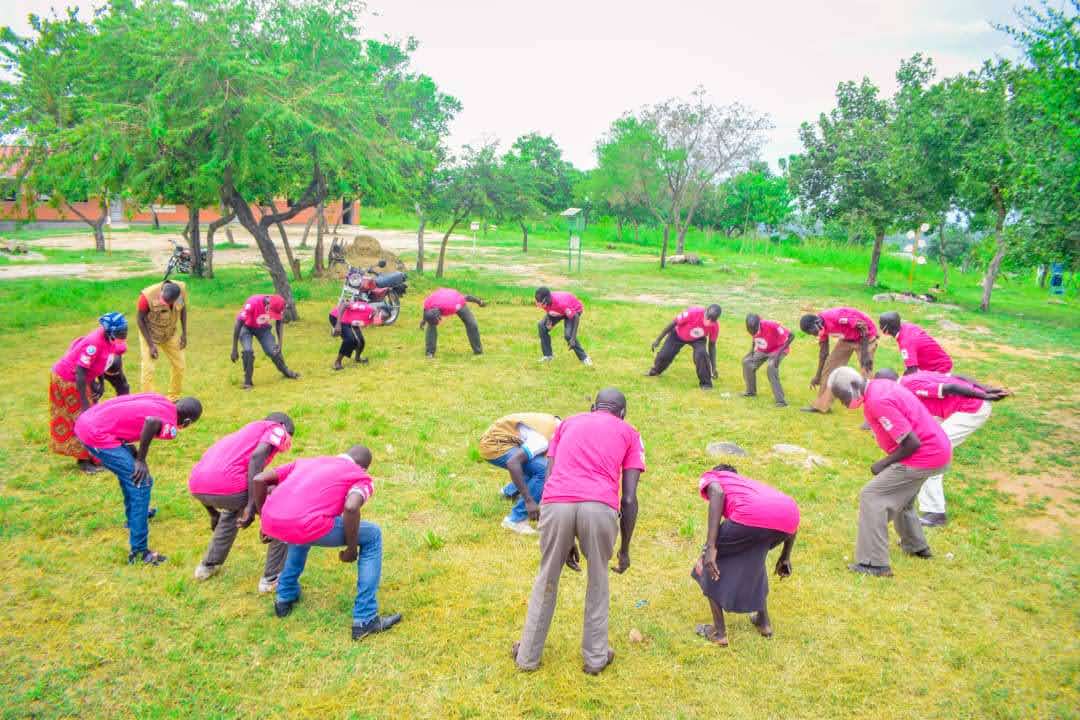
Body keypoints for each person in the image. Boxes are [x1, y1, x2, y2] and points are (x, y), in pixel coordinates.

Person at [512, 388, 645, 675]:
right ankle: (596, 659)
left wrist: (566, 532)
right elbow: (630, 499)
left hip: (556, 502)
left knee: (546, 576)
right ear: (622, 413)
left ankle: (527, 656)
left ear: (594, 406)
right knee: (598, 580)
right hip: (600, 508)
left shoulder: (568, 423)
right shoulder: (630, 433)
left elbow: (550, 473)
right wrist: (624, 549)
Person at [252, 445, 402, 641]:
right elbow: (351, 506)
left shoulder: (305, 462)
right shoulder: (359, 475)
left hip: (274, 519)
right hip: (304, 524)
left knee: (304, 528)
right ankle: (365, 619)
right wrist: (350, 547)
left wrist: (265, 519)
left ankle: (285, 595)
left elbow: (259, 479)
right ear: (364, 468)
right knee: (373, 535)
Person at [828, 367, 951, 577]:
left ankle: (874, 563)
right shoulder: (879, 387)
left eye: (841, 397)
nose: (842, 403)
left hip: (924, 455)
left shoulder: (878, 400)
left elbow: (911, 443)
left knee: (873, 495)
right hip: (937, 450)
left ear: (854, 387)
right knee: (901, 498)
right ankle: (915, 545)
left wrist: (884, 463)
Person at [74, 392, 203, 565]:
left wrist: (134, 453)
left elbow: (130, 415)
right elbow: (151, 422)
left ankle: (134, 517)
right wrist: (140, 460)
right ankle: (139, 552)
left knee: (131, 474)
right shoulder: (171, 426)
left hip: (89, 418)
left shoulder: (160, 399)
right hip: (95, 433)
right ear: (186, 422)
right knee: (141, 482)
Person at [875, 368, 1009, 527]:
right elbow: (958, 376)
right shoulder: (913, 377)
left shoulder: (908, 386)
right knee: (927, 448)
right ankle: (924, 499)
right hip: (965, 406)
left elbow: (950, 388)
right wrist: (983, 387)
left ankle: (936, 513)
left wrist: (984, 394)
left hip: (971, 409)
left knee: (929, 455)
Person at [690, 464, 798, 646]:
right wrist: (785, 556)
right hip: (788, 518)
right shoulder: (749, 486)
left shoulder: (715, 477)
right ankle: (763, 623)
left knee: (707, 562)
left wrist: (710, 547)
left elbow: (716, 491)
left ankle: (719, 632)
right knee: (754, 558)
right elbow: (789, 516)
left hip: (751, 517)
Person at [188, 412, 295, 591]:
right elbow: (257, 457)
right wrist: (253, 506)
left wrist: (213, 513)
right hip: (228, 487)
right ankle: (272, 578)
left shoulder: (238, 436)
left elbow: (205, 473)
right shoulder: (276, 428)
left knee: (232, 511)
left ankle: (207, 566)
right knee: (281, 509)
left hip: (198, 487)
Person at [49, 312, 131, 473]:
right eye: (121, 332)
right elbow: (80, 373)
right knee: (82, 418)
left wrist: (99, 383)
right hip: (69, 379)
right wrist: (85, 405)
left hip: (83, 378)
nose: (124, 335)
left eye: (125, 331)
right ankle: (84, 462)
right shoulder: (93, 344)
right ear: (110, 331)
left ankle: (96, 456)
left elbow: (100, 362)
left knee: (92, 417)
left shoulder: (111, 340)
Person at [478, 413, 562, 535]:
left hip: (501, 437)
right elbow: (513, 463)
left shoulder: (555, 424)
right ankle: (516, 520)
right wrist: (529, 500)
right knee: (543, 470)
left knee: (536, 462)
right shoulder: (542, 440)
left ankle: (508, 492)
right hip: (493, 445)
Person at [799, 307, 879, 413]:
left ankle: (875, 411)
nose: (814, 335)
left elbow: (863, 327)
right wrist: (818, 376)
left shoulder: (835, 317)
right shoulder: (820, 328)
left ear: (817, 322)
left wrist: (865, 354)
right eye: (811, 334)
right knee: (829, 368)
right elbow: (824, 353)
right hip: (847, 339)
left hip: (866, 337)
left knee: (866, 372)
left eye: (813, 332)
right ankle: (821, 406)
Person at [230, 294, 300, 389]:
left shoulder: (279, 304)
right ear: (267, 305)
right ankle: (247, 381)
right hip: (245, 327)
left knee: (273, 350)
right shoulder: (252, 303)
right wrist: (234, 348)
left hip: (262, 328)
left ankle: (286, 371)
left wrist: (280, 344)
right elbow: (238, 324)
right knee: (248, 351)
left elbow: (279, 323)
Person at [647, 305, 721, 390]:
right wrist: (658, 340)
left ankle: (706, 384)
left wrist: (714, 367)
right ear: (706, 312)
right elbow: (672, 324)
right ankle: (655, 371)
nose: (708, 322)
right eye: (707, 318)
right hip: (678, 335)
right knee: (665, 355)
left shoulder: (715, 327)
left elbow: (712, 346)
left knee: (702, 354)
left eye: (712, 321)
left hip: (698, 339)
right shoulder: (692, 312)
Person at [136, 279, 188, 399]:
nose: (164, 303)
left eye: (168, 302)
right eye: (163, 300)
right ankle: (149, 401)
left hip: (170, 333)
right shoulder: (146, 296)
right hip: (150, 334)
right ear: (162, 290)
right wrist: (151, 345)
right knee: (148, 369)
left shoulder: (181, 290)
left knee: (180, 365)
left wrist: (184, 333)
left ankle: (173, 397)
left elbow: (183, 309)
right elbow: (139, 320)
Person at [741, 313, 794, 406]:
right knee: (747, 362)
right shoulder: (751, 326)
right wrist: (751, 351)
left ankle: (781, 401)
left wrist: (777, 354)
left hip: (778, 349)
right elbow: (755, 338)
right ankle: (751, 392)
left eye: (754, 330)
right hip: (763, 349)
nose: (752, 333)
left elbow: (791, 336)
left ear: (759, 324)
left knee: (771, 367)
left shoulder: (772, 325)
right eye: (750, 331)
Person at [879, 312, 953, 374]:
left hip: (939, 369)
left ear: (887, 327)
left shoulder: (906, 342)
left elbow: (912, 371)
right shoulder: (908, 327)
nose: (879, 327)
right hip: (938, 363)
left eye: (881, 325)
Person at [534, 287, 591, 366]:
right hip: (559, 311)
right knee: (542, 326)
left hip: (574, 311)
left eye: (541, 303)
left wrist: (573, 338)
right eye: (538, 303)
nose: (540, 305)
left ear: (546, 300)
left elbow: (575, 317)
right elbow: (549, 310)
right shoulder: (545, 302)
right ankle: (548, 356)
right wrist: (550, 321)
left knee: (568, 335)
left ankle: (585, 358)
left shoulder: (561, 303)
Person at [420, 288, 485, 358]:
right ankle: (429, 353)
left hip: (453, 298)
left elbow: (467, 297)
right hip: (440, 295)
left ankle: (478, 351)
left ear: (439, 317)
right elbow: (425, 311)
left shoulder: (453, 305)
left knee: (471, 323)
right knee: (431, 326)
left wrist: (479, 301)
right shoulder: (427, 304)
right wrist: (423, 321)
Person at [329, 298, 390, 370]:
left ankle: (357, 358)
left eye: (384, 320)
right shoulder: (365, 308)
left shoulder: (371, 319)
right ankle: (337, 362)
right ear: (378, 311)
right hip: (337, 317)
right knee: (350, 340)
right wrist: (338, 324)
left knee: (361, 341)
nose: (382, 321)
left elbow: (357, 322)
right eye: (382, 317)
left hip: (350, 322)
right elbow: (344, 304)